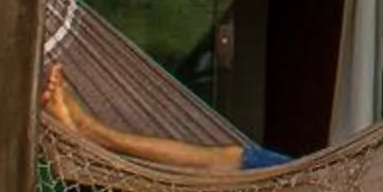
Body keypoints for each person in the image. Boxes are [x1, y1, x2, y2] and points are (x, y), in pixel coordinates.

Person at [41, 63, 290, 175]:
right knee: (230, 160)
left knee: (223, 171)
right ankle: (88, 133)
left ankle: (89, 138)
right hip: (318, 185)